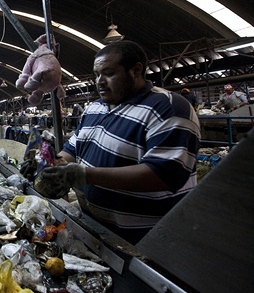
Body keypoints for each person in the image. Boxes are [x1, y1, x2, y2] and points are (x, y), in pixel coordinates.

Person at [37, 40, 200, 245]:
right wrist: (49, 165)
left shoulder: (169, 108)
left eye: (109, 73)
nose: (100, 81)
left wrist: (84, 175)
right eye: (97, 75)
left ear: (136, 70)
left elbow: (162, 175)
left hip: (149, 241)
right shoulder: (94, 108)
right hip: (100, 231)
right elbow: (72, 149)